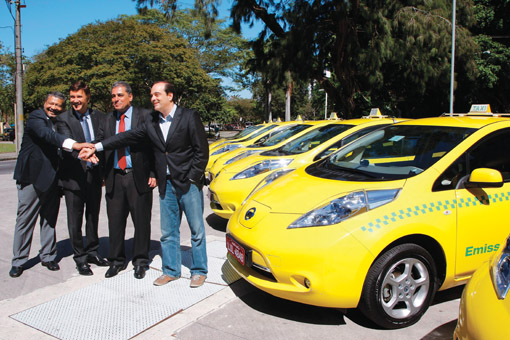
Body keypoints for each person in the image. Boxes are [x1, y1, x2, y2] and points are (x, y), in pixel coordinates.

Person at [83, 81, 209, 287]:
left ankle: (199, 271)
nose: (153, 98)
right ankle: (171, 270)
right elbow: (125, 136)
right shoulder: (152, 121)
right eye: (151, 95)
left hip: (188, 183)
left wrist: (193, 177)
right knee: (168, 232)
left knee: (196, 230)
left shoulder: (188, 116)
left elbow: (201, 151)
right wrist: (95, 147)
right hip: (165, 184)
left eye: (157, 94)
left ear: (170, 95)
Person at [10, 92, 94, 278]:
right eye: (51, 104)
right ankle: (19, 260)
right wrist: (76, 145)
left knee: (49, 219)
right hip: (31, 177)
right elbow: (47, 135)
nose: (54, 108)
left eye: (58, 105)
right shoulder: (36, 117)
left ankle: (48, 256)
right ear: (44, 103)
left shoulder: (61, 121)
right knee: (25, 220)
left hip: (54, 179)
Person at [100, 81, 156, 279]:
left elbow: (154, 147)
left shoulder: (146, 116)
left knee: (141, 221)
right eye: (113, 96)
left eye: (120, 95)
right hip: (114, 176)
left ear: (130, 97)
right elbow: (101, 147)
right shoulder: (106, 120)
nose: (116, 99)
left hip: (138, 176)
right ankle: (116, 261)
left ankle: (140, 261)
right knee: (115, 222)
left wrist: (153, 173)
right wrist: (102, 175)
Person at [55, 81, 107, 276]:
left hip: (94, 175)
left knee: (93, 216)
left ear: (88, 97)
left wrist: (97, 158)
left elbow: (102, 139)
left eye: (79, 97)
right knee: (74, 220)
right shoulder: (63, 119)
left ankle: (93, 251)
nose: (75, 101)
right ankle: (81, 258)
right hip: (73, 178)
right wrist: (85, 152)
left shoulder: (99, 116)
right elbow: (67, 144)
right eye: (72, 97)